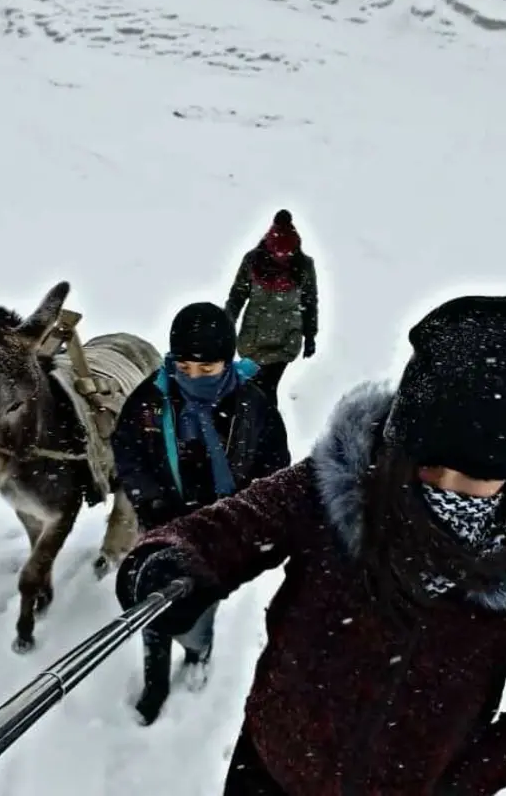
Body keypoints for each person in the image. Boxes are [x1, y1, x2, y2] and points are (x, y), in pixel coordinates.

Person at [115, 294, 506, 794]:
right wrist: (169, 559)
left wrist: (456, 783)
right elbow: (231, 527)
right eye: (427, 463)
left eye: (475, 476)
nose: (446, 488)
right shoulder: (340, 482)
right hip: (267, 768)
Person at [111, 301, 291, 726]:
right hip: (163, 524)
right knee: (152, 603)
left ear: (227, 362)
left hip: (220, 533)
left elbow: (274, 468)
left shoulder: (253, 405)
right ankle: (156, 679)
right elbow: (127, 450)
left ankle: (198, 648)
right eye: (184, 367)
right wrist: (151, 501)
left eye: (206, 369)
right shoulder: (151, 400)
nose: (193, 377)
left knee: (200, 601)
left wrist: (243, 516)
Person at [225, 209, 318, 408]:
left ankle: (265, 423)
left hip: (285, 341)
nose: (281, 257)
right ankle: (255, 422)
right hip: (253, 341)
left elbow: (309, 301)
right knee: (254, 389)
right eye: (277, 253)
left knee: (266, 389)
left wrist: (310, 335)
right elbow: (237, 296)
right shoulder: (252, 261)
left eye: (286, 254)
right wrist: (227, 323)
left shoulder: (304, 266)